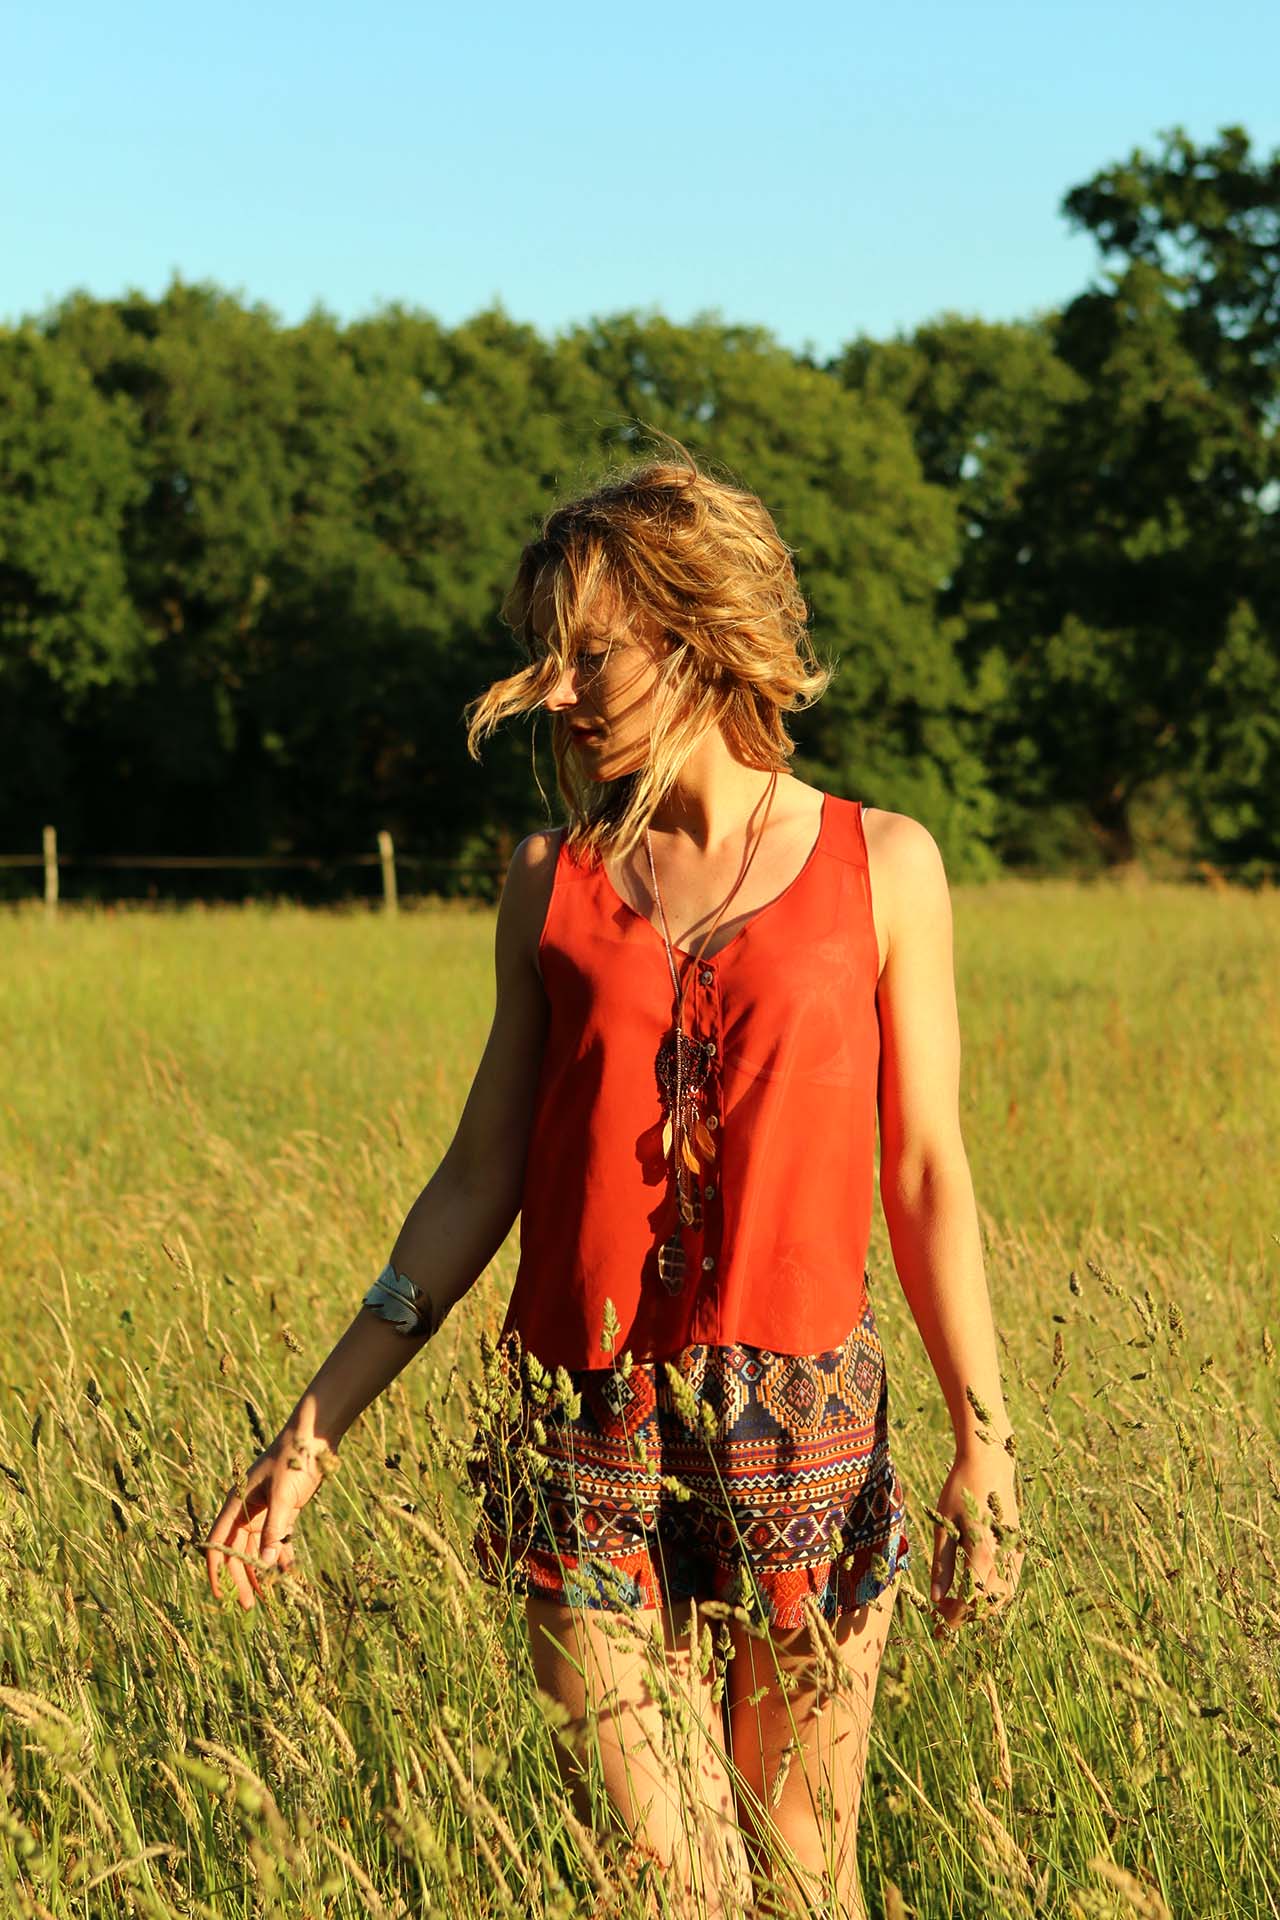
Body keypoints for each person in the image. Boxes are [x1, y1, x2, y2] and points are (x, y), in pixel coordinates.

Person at [206, 440, 1024, 1920]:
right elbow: (477, 1180)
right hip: (586, 1435)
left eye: (591, 657)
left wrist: (985, 1440)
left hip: (806, 1441)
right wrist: (312, 1432)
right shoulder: (550, 881)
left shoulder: (885, 865)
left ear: (696, 639)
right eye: (548, 659)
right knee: (668, 1881)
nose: (558, 694)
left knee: (805, 1876)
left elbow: (924, 1171)